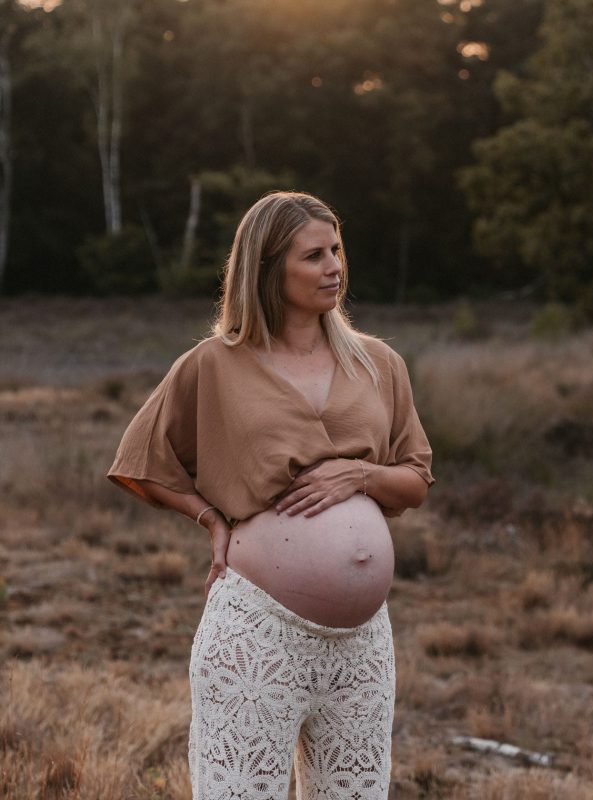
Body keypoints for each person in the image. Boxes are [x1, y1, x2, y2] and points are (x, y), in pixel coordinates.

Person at [107, 191, 435, 800]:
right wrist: (210, 518)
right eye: (313, 255)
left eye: (336, 249)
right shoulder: (215, 364)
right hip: (258, 634)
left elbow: (415, 478)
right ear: (267, 269)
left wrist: (359, 476)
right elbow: (143, 459)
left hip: (362, 646)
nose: (334, 266)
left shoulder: (379, 363)